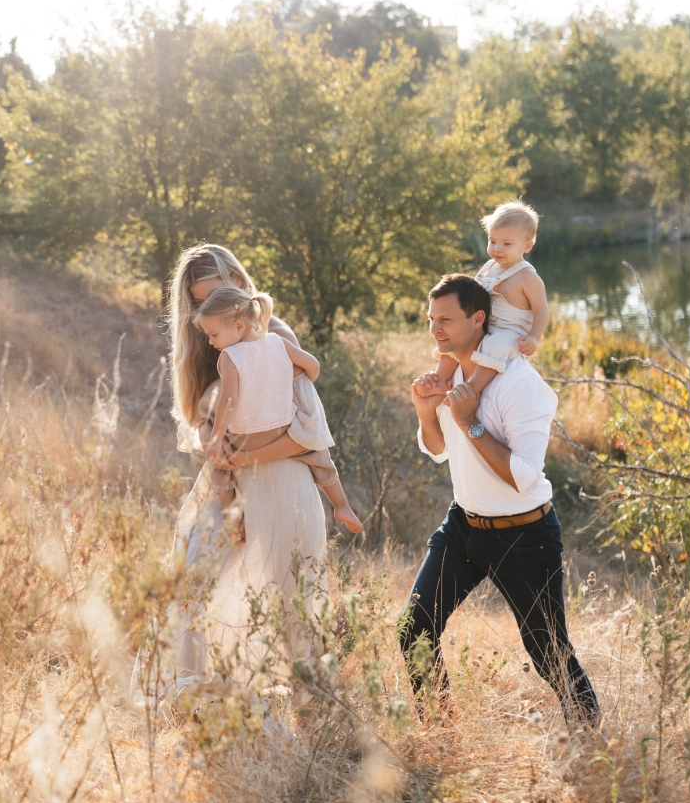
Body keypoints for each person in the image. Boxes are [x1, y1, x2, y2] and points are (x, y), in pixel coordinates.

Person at [402, 273, 600, 726]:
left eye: (446, 320)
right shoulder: (452, 375)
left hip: (523, 534)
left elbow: (525, 480)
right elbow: (437, 449)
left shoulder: (519, 385)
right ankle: (439, 732)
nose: (435, 329)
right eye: (431, 319)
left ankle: (594, 744)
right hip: (463, 526)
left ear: (478, 319)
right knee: (414, 629)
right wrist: (425, 410)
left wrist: (470, 421)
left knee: (549, 654)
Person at [160, 244, 348, 690]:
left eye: (216, 293)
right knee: (197, 575)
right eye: (199, 301)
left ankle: (300, 704)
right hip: (226, 483)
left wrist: (242, 458)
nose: (209, 307)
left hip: (281, 480)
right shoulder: (211, 341)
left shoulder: (274, 337)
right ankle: (201, 695)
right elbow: (207, 423)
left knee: (284, 594)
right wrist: (218, 461)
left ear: (241, 285)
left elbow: (305, 432)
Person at [194, 284, 361, 530]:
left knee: (218, 466)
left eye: (214, 334)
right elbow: (313, 365)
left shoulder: (230, 356)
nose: (210, 341)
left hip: (245, 438)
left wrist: (217, 439)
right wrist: (293, 379)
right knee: (318, 455)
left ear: (238, 326)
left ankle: (234, 519)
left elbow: (227, 402)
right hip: (282, 429)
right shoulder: (278, 342)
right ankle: (342, 507)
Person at [430, 201, 549, 399]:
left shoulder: (527, 277)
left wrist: (533, 337)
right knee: (456, 340)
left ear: (527, 246)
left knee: (495, 347)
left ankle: (470, 390)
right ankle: (439, 380)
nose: (497, 248)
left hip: (510, 333)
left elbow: (541, 310)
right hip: (484, 326)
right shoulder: (489, 266)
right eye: (492, 241)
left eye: (507, 244)